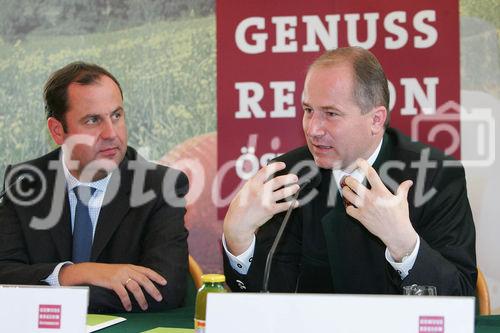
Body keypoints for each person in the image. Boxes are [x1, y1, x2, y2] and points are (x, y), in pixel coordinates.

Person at [222, 47, 477, 295]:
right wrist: (238, 240)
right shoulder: (291, 177)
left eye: (331, 114)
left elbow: (461, 295)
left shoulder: (434, 175)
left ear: (376, 120)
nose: (313, 129)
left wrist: (405, 246)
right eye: (308, 110)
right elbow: (270, 297)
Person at [0, 62, 189, 313]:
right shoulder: (25, 182)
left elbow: (165, 289)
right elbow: (4, 276)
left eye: (117, 115)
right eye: (93, 120)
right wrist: (76, 273)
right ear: (58, 131)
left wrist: (56, 293)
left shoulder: (160, 187)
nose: (111, 133)